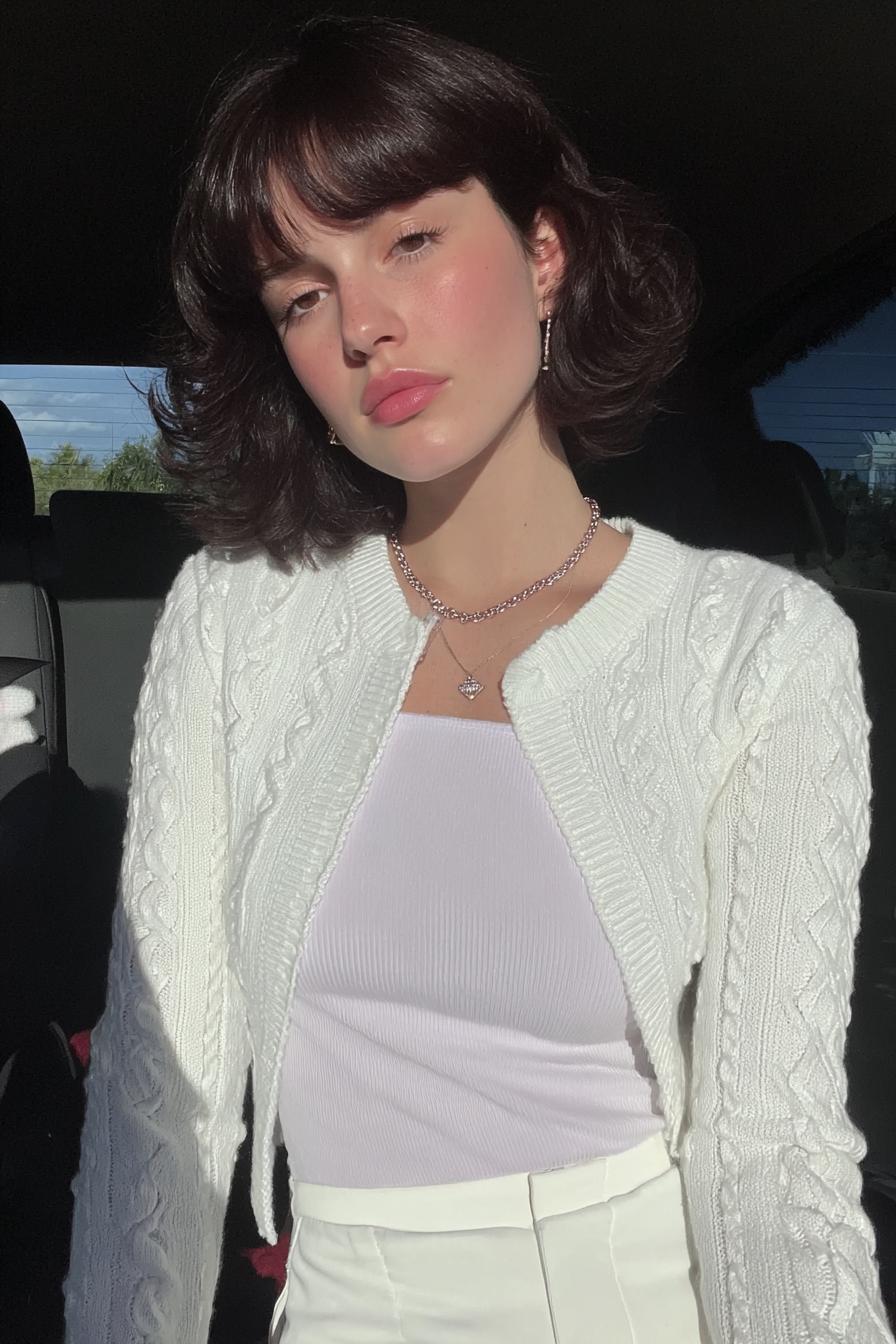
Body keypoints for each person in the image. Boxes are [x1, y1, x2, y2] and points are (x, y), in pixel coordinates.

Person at [62, 14, 894, 1344]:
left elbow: (769, 1154)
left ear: (543, 253)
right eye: (302, 296)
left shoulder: (758, 648)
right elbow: (158, 1103)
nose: (365, 327)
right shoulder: (235, 622)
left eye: (409, 241)